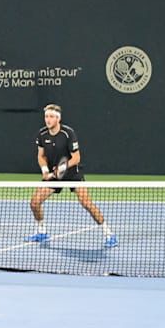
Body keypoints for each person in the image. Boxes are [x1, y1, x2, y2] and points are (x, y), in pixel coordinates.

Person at [30, 103, 114, 246]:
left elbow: (76, 158)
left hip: (72, 173)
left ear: (58, 118)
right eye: (46, 116)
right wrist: (45, 170)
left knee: (86, 203)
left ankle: (108, 234)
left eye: (51, 116)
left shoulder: (68, 133)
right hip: (54, 176)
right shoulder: (42, 134)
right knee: (34, 202)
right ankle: (42, 231)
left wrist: (61, 168)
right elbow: (41, 156)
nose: (48, 119)